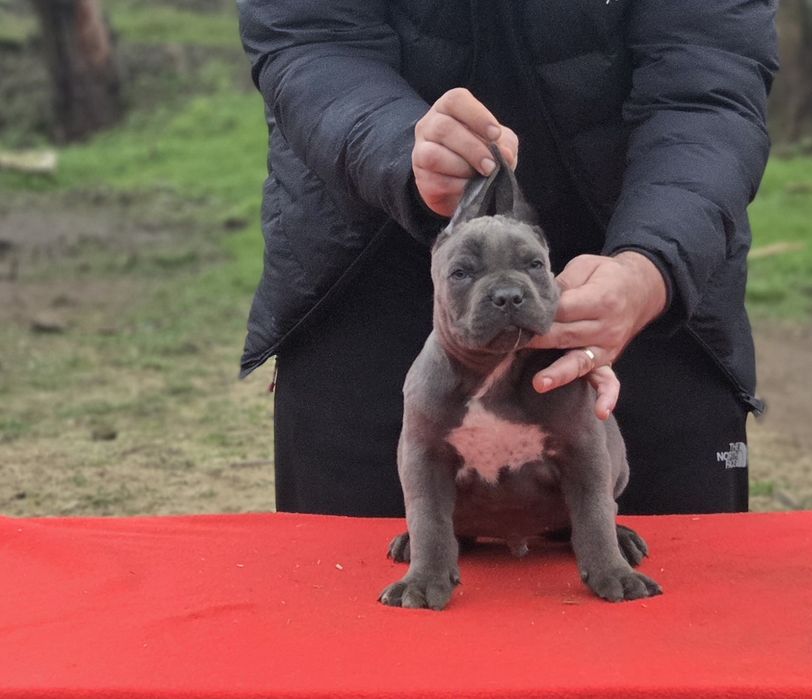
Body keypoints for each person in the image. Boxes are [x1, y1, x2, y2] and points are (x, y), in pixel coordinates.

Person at [236, 1, 778, 517]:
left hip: (647, 305)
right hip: (368, 283)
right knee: (358, 578)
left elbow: (707, 87)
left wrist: (652, 267)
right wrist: (403, 149)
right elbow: (312, 40)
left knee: (673, 578)